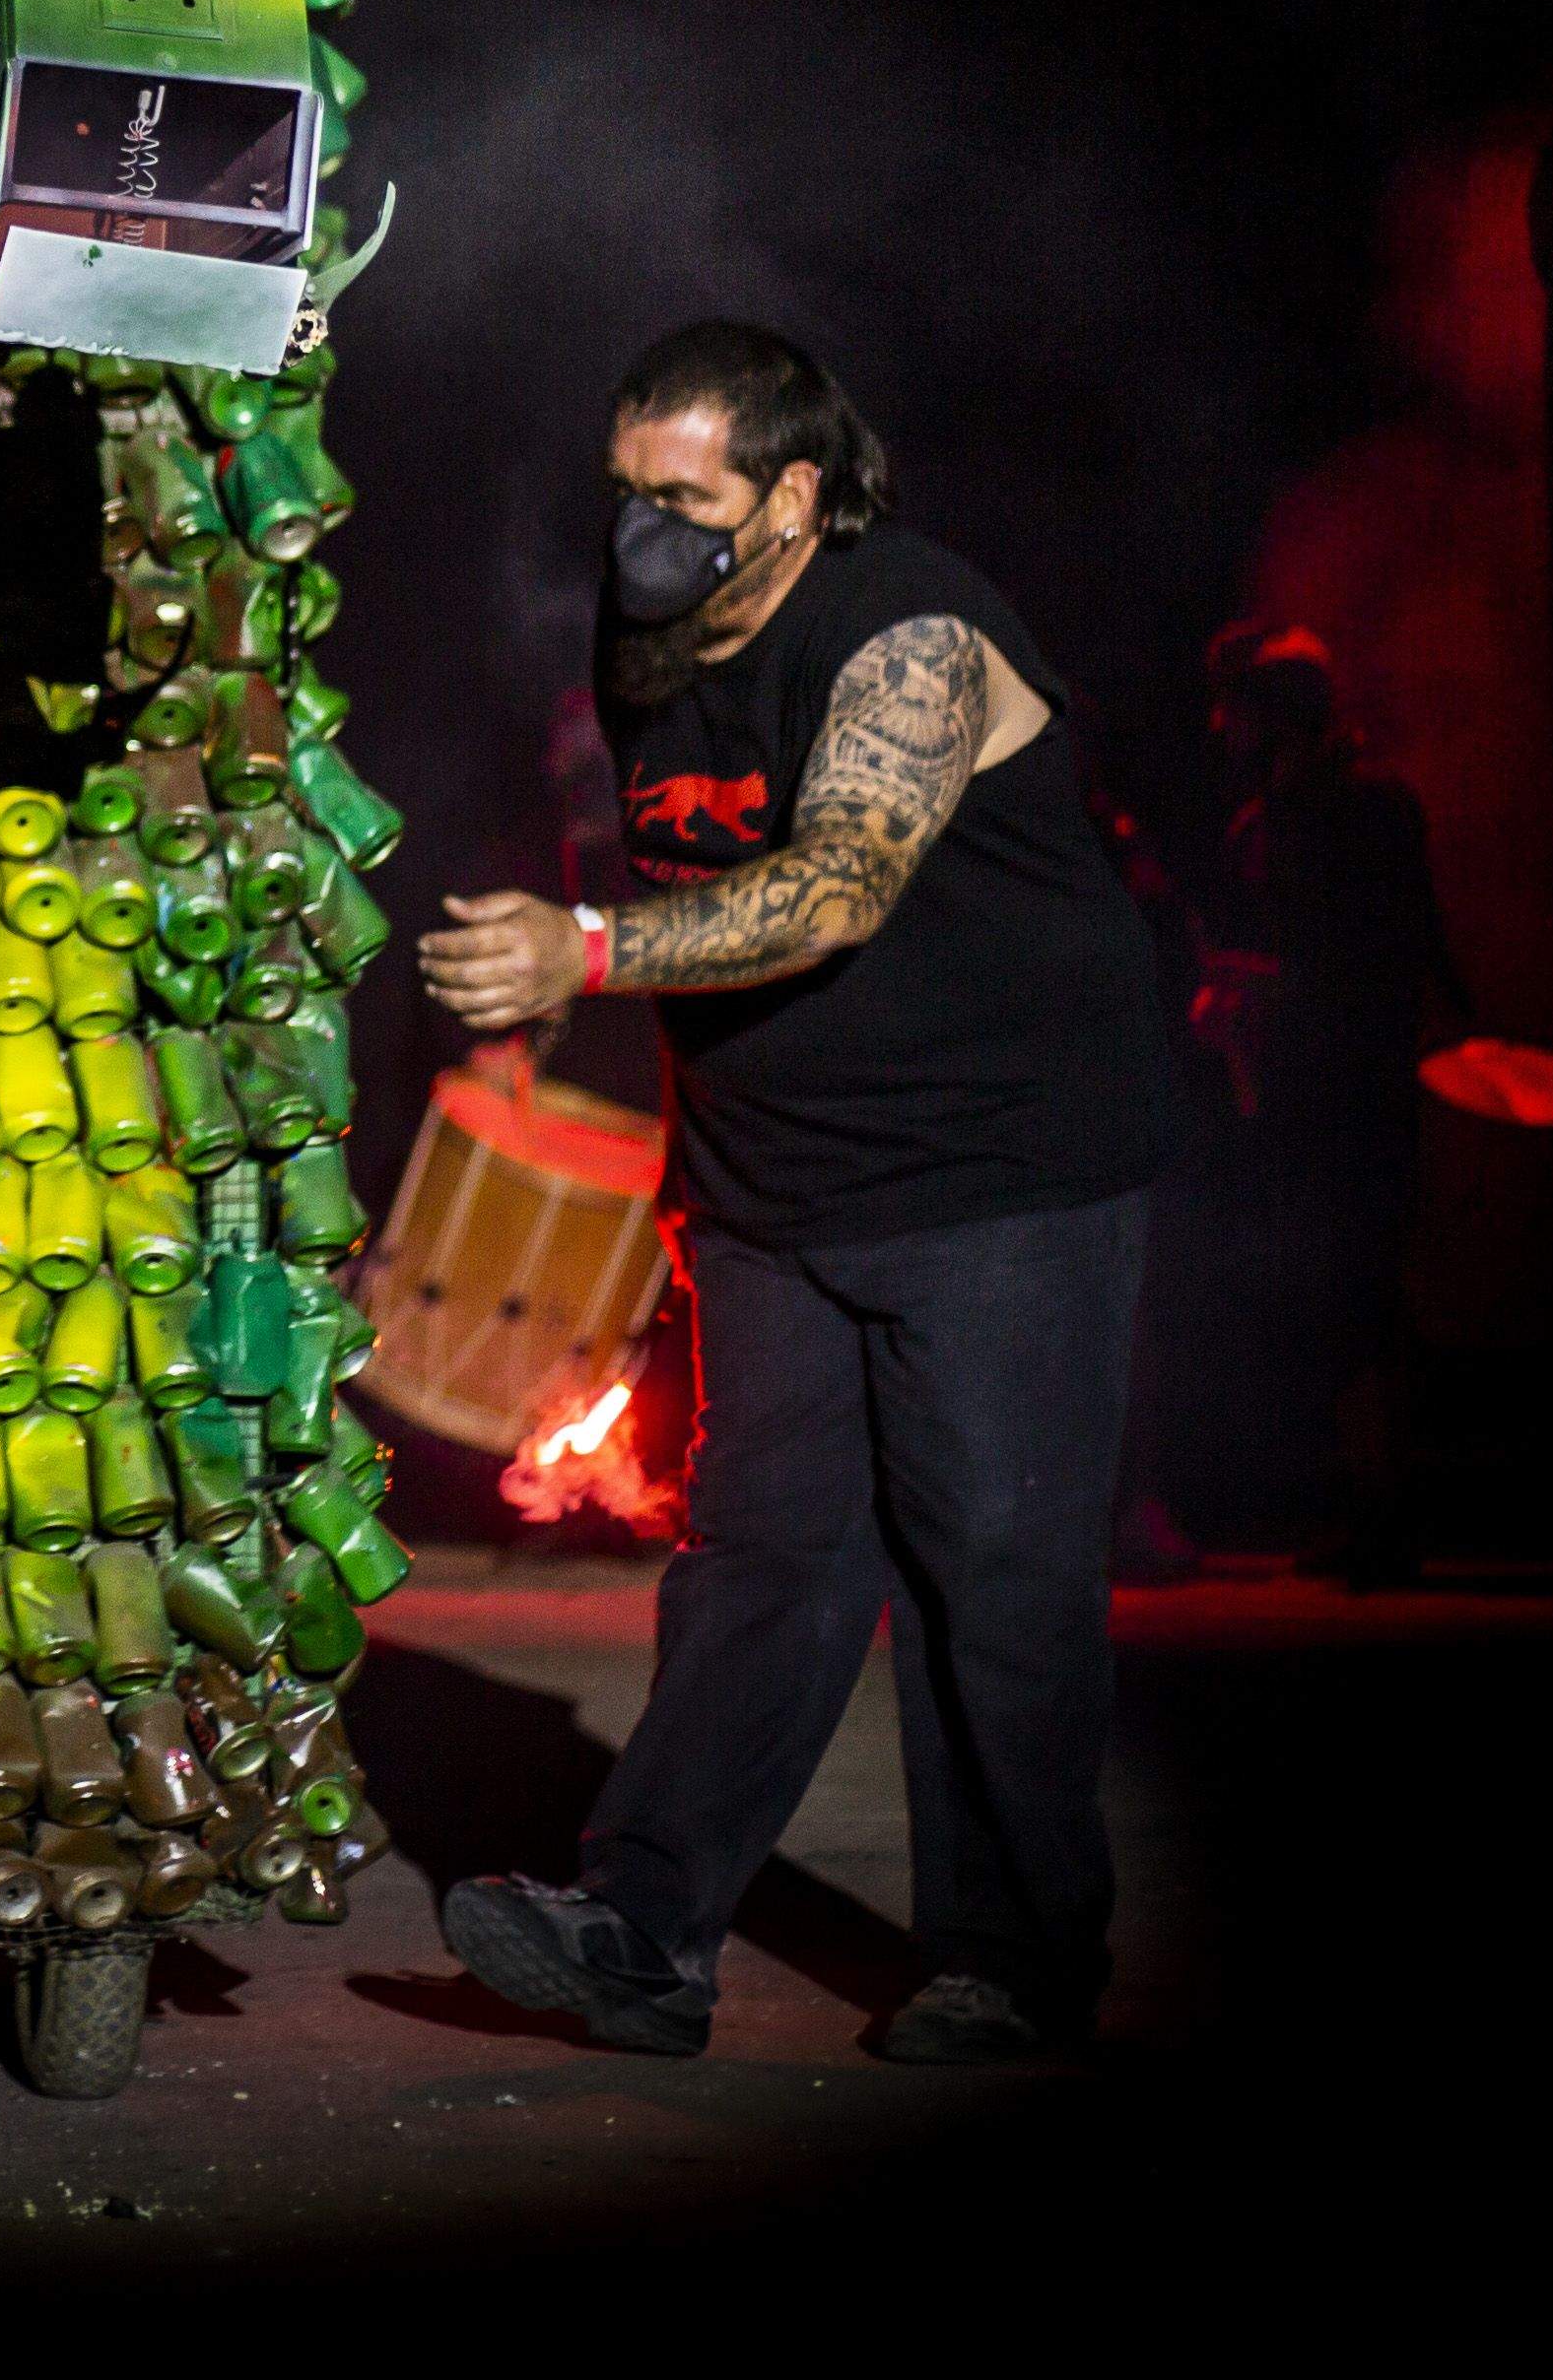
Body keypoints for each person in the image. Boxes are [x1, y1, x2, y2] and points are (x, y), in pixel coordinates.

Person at [412, 324, 1179, 2067]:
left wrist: (583, 952)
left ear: (794, 496)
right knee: (757, 1556)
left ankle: (1014, 1959)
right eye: (625, 494)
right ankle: (644, 1934)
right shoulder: (646, 634)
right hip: (774, 1179)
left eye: (684, 501)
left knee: (993, 1566)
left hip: (996, 1168)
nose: (642, 534)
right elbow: (668, 860)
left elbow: (836, 888)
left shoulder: (910, 631)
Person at [1185, 624, 1472, 1579]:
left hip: (1347, 1087)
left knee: (1358, 1290)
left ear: (1272, 713)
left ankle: (1388, 1508)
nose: (1221, 727)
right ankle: (1372, 1504)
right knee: (1344, 1293)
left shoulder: (1338, 814)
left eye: (1235, 707)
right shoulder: (1295, 815)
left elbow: (1364, 959)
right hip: (1329, 1085)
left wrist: (1258, 993)